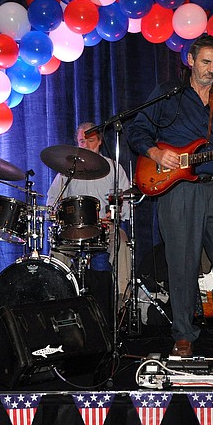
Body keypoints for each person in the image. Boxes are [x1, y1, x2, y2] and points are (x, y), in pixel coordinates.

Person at [127, 34, 213, 359]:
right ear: (191, 61)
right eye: (206, 62)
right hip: (178, 191)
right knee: (181, 266)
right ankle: (183, 335)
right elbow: (136, 131)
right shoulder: (168, 95)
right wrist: (156, 152)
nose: (211, 69)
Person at [46, 121, 132, 323]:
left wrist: (114, 216)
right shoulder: (67, 170)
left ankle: (122, 302)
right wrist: (59, 215)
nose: (85, 145)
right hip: (74, 228)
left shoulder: (113, 168)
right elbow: (52, 202)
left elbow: (126, 203)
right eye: (81, 141)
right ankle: (58, 300)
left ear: (100, 141)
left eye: (90, 140)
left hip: (104, 227)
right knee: (58, 249)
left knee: (122, 242)